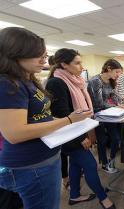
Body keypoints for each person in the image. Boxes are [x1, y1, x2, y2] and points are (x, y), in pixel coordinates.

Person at [0, 27, 91, 209]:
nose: (44, 60)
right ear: (15, 55)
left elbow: (40, 117)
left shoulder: (28, 80)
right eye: (37, 56)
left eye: (44, 55)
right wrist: (69, 120)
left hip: (43, 158)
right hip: (31, 165)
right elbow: (15, 133)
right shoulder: (7, 83)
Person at [46, 48, 116, 209]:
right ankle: (103, 198)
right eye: (77, 63)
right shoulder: (56, 82)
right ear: (64, 65)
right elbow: (62, 115)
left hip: (78, 130)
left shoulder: (73, 80)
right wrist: (80, 138)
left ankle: (74, 195)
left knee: (76, 164)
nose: (81, 66)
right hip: (70, 135)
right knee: (90, 165)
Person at [87, 59, 124, 173]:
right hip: (98, 115)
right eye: (117, 72)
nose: (118, 75)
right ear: (109, 69)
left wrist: (119, 103)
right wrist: (116, 106)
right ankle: (104, 163)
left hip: (109, 113)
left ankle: (111, 160)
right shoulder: (96, 81)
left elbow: (113, 95)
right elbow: (98, 104)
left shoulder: (110, 80)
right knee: (102, 140)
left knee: (116, 139)